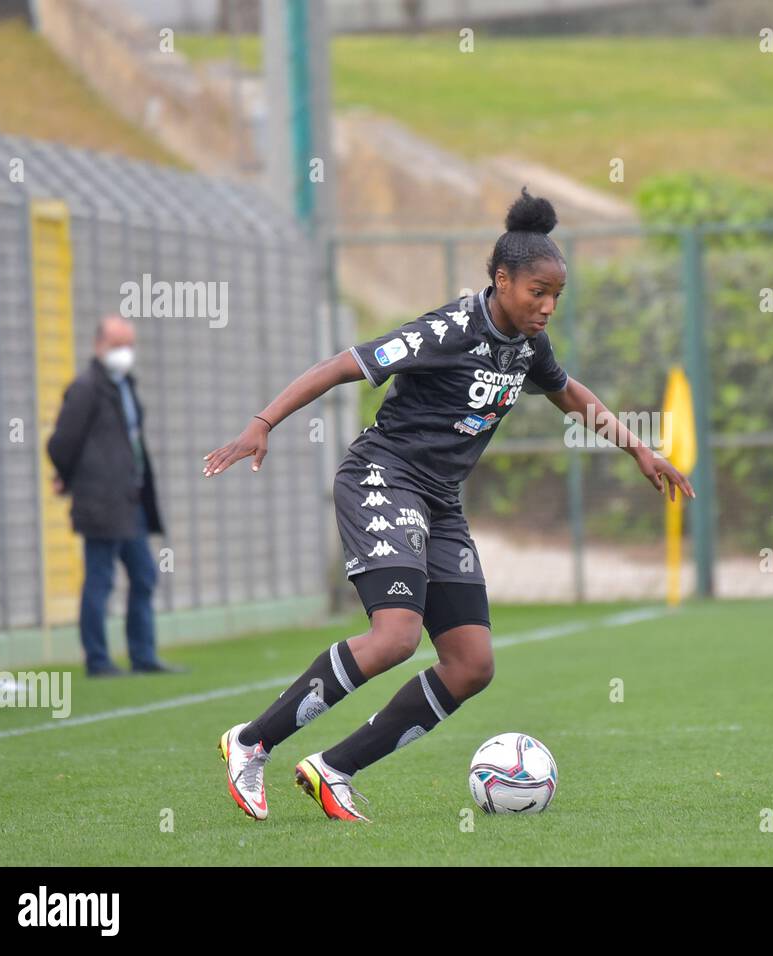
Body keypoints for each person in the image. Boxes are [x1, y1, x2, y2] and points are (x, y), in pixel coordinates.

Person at [206, 189, 694, 822]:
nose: (547, 308)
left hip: (439, 500)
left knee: (471, 665)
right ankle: (251, 743)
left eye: (555, 297)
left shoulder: (526, 344)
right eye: (536, 293)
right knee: (396, 637)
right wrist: (262, 421)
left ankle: (333, 769)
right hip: (382, 477)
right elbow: (342, 365)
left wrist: (638, 450)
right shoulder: (448, 330)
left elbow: (570, 394)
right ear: (502, 280)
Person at [47, 316, 180, 677]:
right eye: (117, 344)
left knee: (144, 575)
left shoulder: (124, 385)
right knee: (100, 578)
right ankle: (97, 659)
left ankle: (143, 655)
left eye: (129, 344)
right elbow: (61, 443)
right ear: (99, 345)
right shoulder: (87, 387)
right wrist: (69, 477)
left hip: (130, 500)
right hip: (100, 502)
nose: (124, 352)